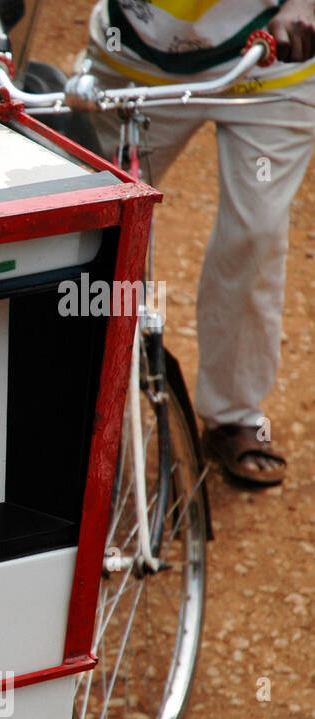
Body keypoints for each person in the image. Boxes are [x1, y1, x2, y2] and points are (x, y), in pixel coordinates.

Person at [82, 0, 315, 486]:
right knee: (98, 231)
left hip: (274, 63)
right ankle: (81, 403)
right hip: (137, 58)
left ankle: (233, 413)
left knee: (256, 230)